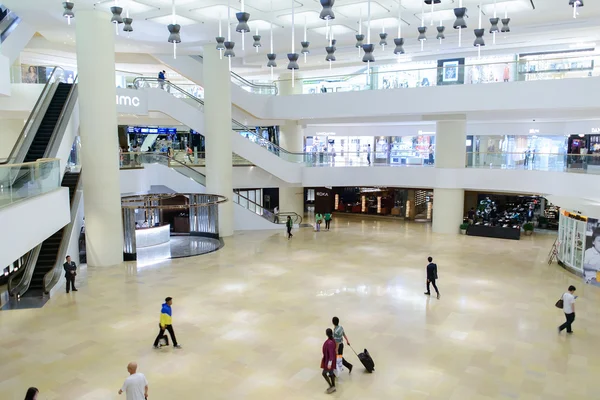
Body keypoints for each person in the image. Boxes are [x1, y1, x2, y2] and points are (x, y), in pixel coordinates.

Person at [321, 328, 337, 394]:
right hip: (331, 360)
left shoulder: (329, 343)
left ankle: (331, 385)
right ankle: (333, 385)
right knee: (331, 373)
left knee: (324, 373)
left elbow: (330, 355)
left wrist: (329, 364)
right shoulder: (332, 340)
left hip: (329, 361)